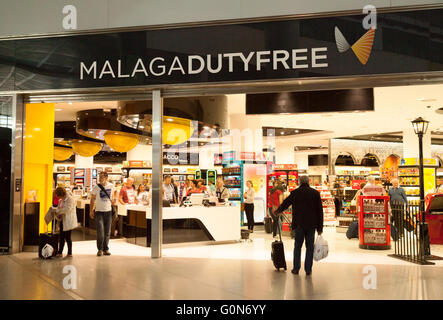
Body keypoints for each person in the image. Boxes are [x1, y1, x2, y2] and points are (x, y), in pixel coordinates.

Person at [274, 175, 323, 276]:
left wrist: (278, 211)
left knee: (297, 247)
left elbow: (286, 203)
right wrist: (320, 228)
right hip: (311, 225)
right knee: (310, 247)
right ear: (308, 181)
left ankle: (296, 269)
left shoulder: (295, 192)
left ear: (300, 182)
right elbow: (320, 212)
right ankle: (308, 270)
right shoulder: (315, 193)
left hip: (299, 224)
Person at [90, 172, 115, 256]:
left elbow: (115, 193)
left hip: (108, 211)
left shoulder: (111, 186)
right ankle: (100, 249)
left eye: (102, 177)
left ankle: (106, 249)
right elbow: (92, 199)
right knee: (100, 231)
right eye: (99, 177)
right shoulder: (96, 187)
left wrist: (114, 200)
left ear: (106, 178)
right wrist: (91, 210)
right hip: (99, 212)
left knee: (107, 231)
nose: (100, 179)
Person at [53, 187, 78, 257]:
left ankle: (69, 252)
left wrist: (57, 211)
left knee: (67, 237)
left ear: (61, 194)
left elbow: (67, 209)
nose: (57, 197)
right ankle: (60, 252)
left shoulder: (70, 199)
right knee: (61, 236)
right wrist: (56, 210)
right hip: (62, 220)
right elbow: (60, 208)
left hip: (68, 221)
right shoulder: (61, 200)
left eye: (58, 195)